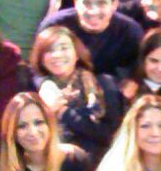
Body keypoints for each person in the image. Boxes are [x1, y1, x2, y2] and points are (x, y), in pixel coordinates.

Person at [38, 0, 145, 97]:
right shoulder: (55, 25)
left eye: (101, 4)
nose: (93, 11)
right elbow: (36, 68)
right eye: (87, 3)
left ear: (114, 5)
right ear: (76, 1)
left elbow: (140, 68)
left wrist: (133, 82)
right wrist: (45, 86)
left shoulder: (130, 32)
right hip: (63, 92)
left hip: (112, 94)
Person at [29, 25, 122, 157]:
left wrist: (63, 112)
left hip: (95, 160)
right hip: (49, 160)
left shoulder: (103, 84)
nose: (57, 55)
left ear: (77, 54)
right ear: (41, 58)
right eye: (49, 50)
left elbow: (110, 134)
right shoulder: (36, 90)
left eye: (64, 48)